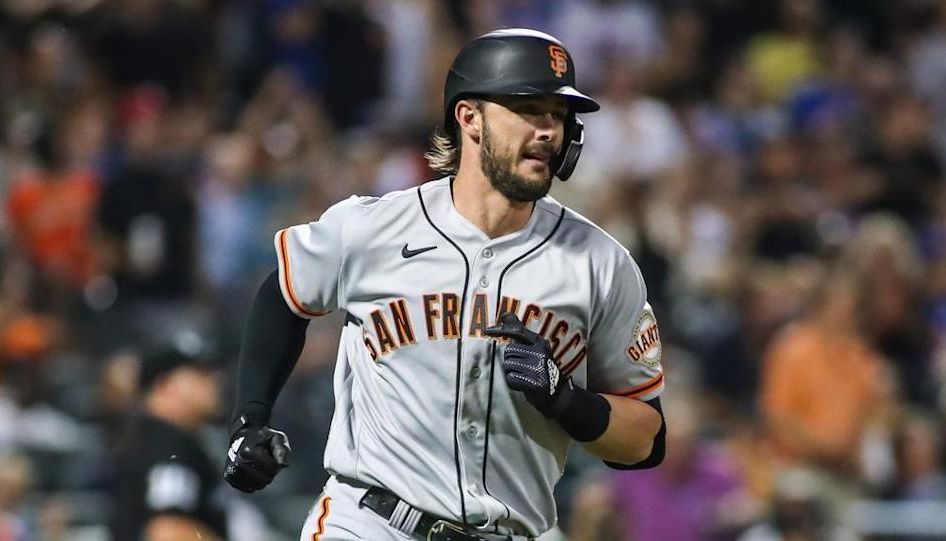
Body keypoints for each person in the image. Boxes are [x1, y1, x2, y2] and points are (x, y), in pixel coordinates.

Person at [222, 28, 666, 540]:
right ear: (469, 117)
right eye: (529, 109)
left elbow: (645, 441)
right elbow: (283, 294)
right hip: (371, 522)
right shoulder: (374, 228)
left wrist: (567, 399)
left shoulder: (601, 264)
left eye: (560, 115)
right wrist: (249, 422)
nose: (550, 130)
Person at [112, 344, 227, 541]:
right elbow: (168, 532)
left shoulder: (147, 437)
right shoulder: (168, 444)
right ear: (165, 385)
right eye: (200, 374)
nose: (215, 381)